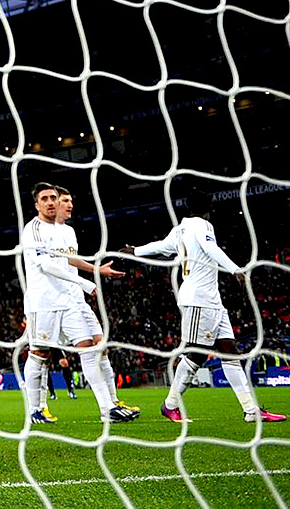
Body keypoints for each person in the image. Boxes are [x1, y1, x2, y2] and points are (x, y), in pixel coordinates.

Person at [122, 190, 286, 423]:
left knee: (229, 351)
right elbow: (211, 248)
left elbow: (160, 246)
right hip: (199, 299)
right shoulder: (203, 225)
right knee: (197, 353)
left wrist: (135, 251)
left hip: (212, 300)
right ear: (210, 209)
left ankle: (251, 411)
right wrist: (235, 270)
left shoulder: (180, 229)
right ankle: (170, 405)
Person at [21, 183, 136, 427]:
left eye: (54, 197)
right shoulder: (33, 230)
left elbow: (68, 259)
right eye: (46, 198)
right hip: (43, 303)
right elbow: (46, 265)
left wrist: (97, 270)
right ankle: (35, 409)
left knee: (91, 347)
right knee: (40, 355)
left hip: (69, 301)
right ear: (37, 204)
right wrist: (85, 283)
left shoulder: (66, 231)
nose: (52, 202)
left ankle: (108, 408)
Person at [53, 186, 138, 413]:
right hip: (60, 302)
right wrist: (92, 276)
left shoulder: (69, 232)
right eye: (65, 201)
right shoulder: (48, 232)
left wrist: (97, 270)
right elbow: (66, 262)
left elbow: (74, 261)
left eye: (71, 200)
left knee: (102, 348)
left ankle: (114, 402)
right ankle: (105, 409)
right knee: (86, 350)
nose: (70, 205)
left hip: (77, 298)